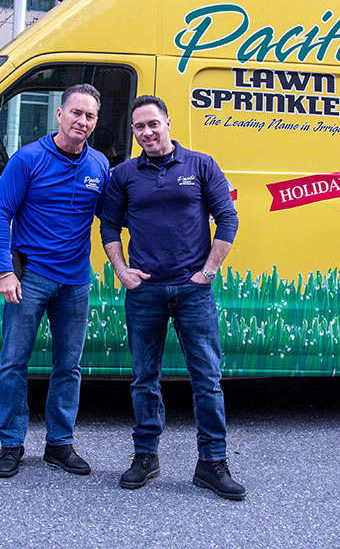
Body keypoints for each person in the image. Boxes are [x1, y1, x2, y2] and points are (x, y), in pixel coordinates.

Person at [99, 95, 245, 500]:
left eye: (152, 124)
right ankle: (145, 456)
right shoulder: (125, 174)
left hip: (193, 293)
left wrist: (209, 271)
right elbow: (109, 225)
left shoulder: (201, 165)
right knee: (144, 379)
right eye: (138, 128)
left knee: (207, 380)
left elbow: (228, 218)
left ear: (168, 123)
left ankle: (212, 464)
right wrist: (121, 269)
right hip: (145, 292)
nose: (146, 132)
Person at [0, 83, 109, 479]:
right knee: (13, 363)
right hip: (31, 279)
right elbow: (0, 215)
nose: (83, 121)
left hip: (76, 282)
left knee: (68, 367)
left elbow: (113, 218)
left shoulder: (99, 166)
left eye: (90, 115)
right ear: (60, 114)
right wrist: (5, 271)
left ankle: (59, 445)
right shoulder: (28, 159)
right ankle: (11, 445)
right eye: (76, 112)